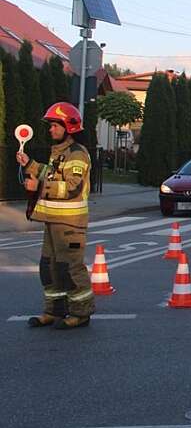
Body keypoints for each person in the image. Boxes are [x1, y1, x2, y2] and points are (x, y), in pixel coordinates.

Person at [14, 102, 94, 329]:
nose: (51, 129)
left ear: (68, 127)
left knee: (70, 268)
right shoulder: (60, 152)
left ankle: (80, 313)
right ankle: (54, 311)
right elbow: (51, 174)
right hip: (52, 221)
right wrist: (29, 164)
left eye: (55, 125)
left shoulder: (77, 154)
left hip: (70, 224)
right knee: (48, 267)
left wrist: (38, 187)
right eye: (50, 125)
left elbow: (72, 187)